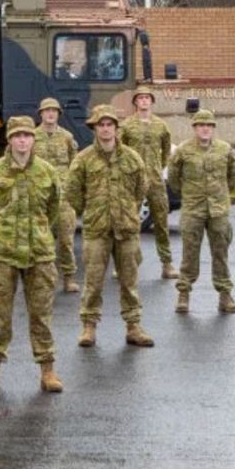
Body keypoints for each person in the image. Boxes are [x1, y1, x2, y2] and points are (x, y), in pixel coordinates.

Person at [0, 116, 64, 393]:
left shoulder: (47, 172)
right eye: (17, 136)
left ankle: (47, 370)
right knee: (0, 315)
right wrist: (1, 235)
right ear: (9, 140)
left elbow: (53, 209)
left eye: (27, 135)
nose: (22, 140)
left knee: (41, 315)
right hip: (2, 253)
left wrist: (37, 232)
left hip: (39, 253)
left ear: (33, 139)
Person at [65, 105, 155, 348]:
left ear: (116, 128)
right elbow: (73, 191)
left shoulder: (132, 158)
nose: (105, 129)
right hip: (97, 230)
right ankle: (89, 327)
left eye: (109, 125)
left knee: (130, 280)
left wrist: (127, 210)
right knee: (93, 281)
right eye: (101, 125)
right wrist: (91, 211)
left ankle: (134, 326)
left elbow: (141, 189)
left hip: (126, 229)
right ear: (94, 129)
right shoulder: (83, 159)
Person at [167, 109, 235, 315]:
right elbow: (174, 178)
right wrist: (188, 194)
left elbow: (233, 177)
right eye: (201, 125)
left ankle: (225, 295)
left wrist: (222, 195)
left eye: (209, 125)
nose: (205, 129)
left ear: (213, 128)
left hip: (218, 210)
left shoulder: (225, 150)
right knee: (189, 253)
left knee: (221, 253)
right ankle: (184, 294)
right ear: (194, 128)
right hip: (193, 209)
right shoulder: (183, 151)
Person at [121, 85, 177, 280]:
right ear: (135, 102)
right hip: (133, 180)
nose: (144, 101)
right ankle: (127, 262)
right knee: (129, 223)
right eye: (140, 98)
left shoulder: (161, 126)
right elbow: (122, 152)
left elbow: (165, 151)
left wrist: (156, 167)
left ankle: (167, 263)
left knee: (161, 222)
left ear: (152, 101)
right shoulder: (127, 126)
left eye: (147, 98)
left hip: (155, 179)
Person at [34, 97, 80, 293]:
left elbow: (75, 164)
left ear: (58, 114)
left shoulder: (67, 137)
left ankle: (69, 277)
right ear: (41, 114)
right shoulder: (32, 137)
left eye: (54, 111)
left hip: (63, 195)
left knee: (66, 239)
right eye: (47, 111)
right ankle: (43, 278)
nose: (50, 114)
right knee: (40, 239)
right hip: (40, 195)